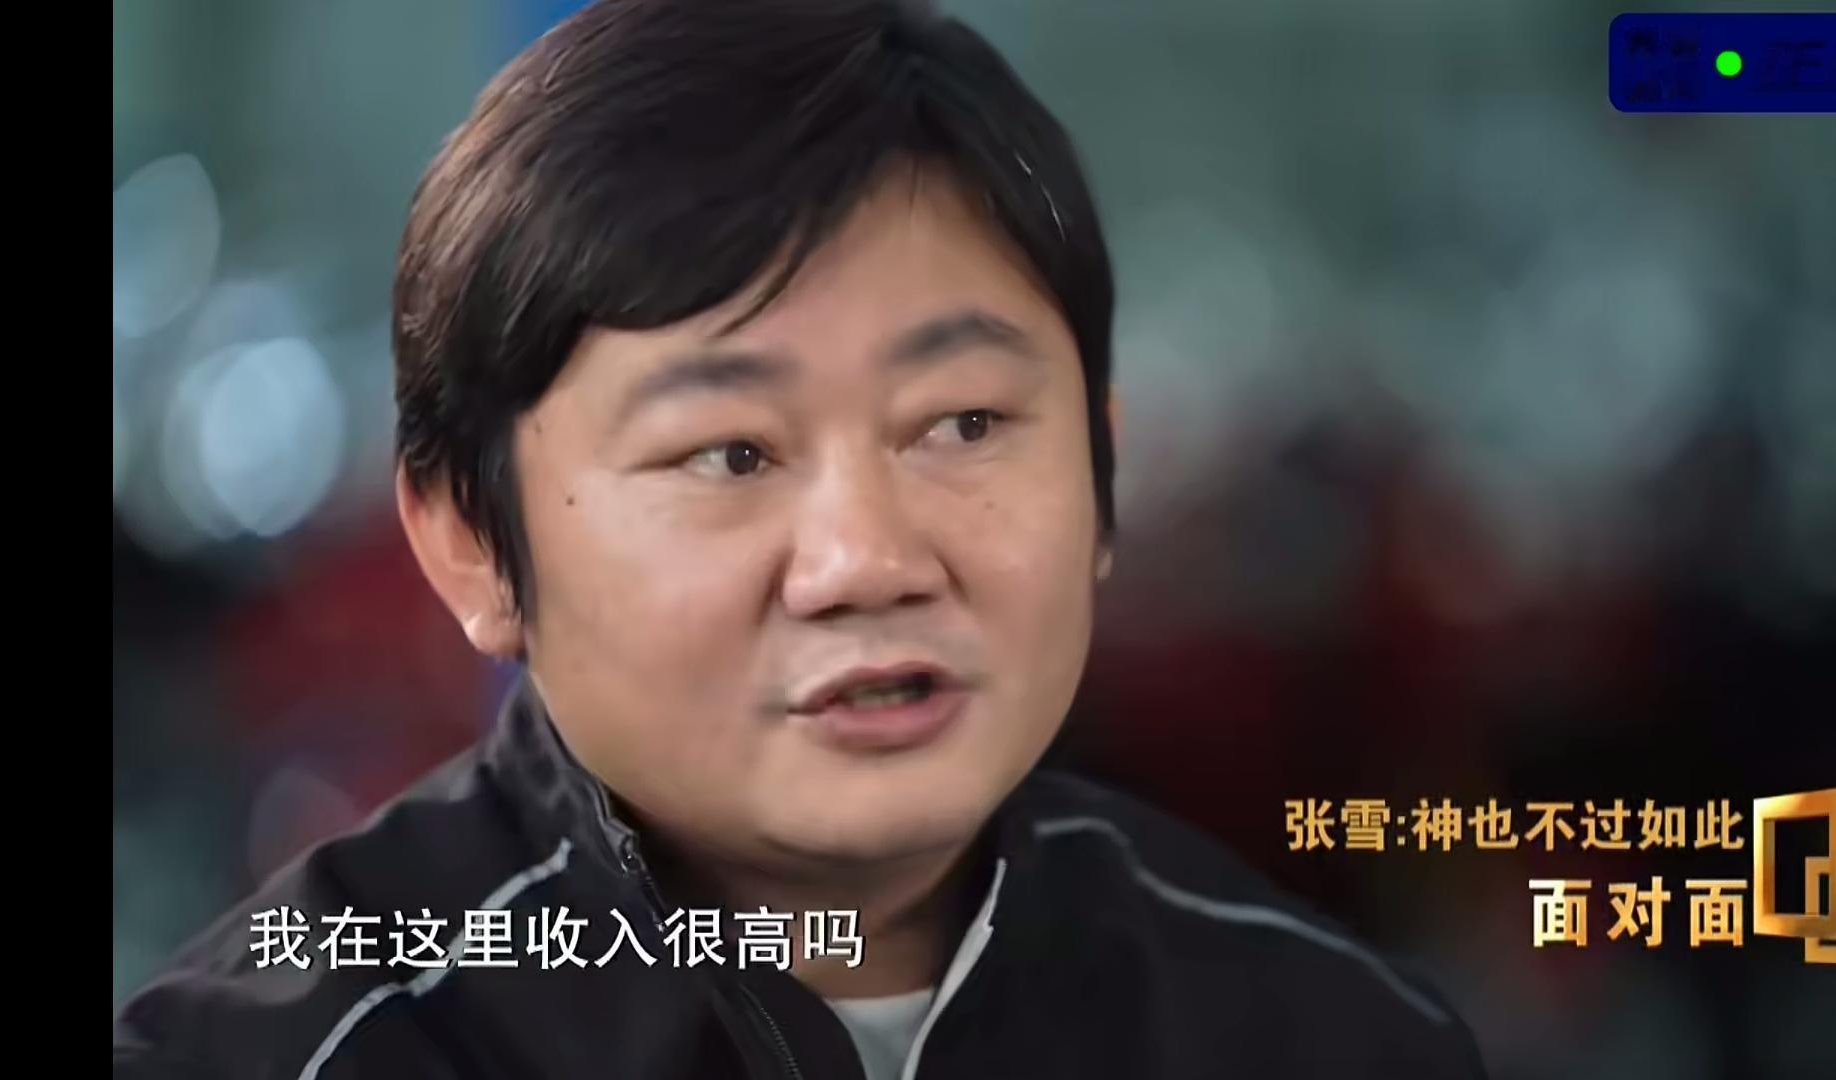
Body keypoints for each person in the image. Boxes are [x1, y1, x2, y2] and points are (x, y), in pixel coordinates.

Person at [112, 1, 1489, 1076]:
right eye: (731, 453)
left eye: (962, 423)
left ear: (1103, 472)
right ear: (471, 541)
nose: (868, 560)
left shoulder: (1330, 1039)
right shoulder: (295, 1057)